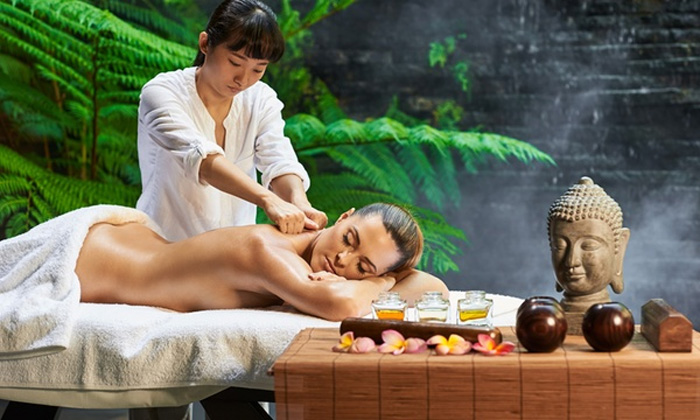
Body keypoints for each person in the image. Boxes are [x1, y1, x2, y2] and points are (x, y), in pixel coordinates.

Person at [136, 0, 326, 241]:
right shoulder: (162, 93)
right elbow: (201, 160)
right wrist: (268, 200)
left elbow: (278, 159)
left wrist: (299, 202)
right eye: (235, 62)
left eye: (258, 69)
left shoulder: (260, 99)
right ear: (205, 43)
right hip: (164, 246)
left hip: (235, 252)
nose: (243, 79)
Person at [76, 203, 448, 321]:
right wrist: (378, 282)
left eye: (362, 266)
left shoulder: (302, 261)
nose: (341, 259)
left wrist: (380, 278)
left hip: (127, 245)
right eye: (349, 239)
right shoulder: (266, 249)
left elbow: (435, 290)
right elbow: (340, 305)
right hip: (87, 258)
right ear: (343, 217)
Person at [547, 176, 631, 313]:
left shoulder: (614, 322)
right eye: (560, 246)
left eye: (588, 246)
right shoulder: (546, 319)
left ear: (619, 249)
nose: (571, 262)